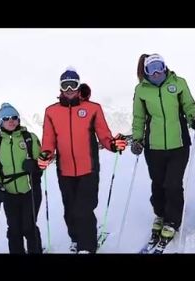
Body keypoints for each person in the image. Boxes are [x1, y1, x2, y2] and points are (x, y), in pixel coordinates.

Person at [38, 67, 127, 254]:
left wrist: (112, 144)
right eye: (65, 85)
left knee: (84, 210)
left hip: (89, 169)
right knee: (70, 210)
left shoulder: (92, 109)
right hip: (65, 170)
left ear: (79, 87)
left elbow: (104, 135)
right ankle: (76, 239)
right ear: (60, 89)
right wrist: (46, 154)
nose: (69, 89)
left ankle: (87, 247)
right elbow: (48, 141)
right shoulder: (51, 112)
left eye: (73, 84)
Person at [131, 53, 195, 247]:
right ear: (146, 71)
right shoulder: (141, 90)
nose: (156, 72)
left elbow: (189, 106)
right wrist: (138, 139)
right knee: (158, 183)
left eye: (159, 67)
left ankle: (172, 220)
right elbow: (139, 118)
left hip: (179, 144)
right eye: (151, 69)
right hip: (153, 146)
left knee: (172, 183)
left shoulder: (178, 83)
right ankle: (160, 214)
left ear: (165, 67)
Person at [0, 103, 43, 254]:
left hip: (30, 190)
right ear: (1, 122)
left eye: (14, 117)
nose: (11, 120)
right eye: (6, 118)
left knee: (29, 226)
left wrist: (35, 164)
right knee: (14, 229)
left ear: (19, 120)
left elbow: (43, 160)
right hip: (8, 192)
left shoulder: (29, 138)